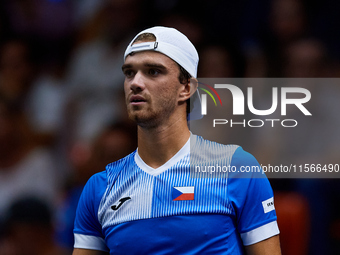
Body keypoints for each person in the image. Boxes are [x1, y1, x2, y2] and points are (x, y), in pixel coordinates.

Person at [73, 26, 281, 255]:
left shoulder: (237, 168)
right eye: (129, 73)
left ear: (186, 88)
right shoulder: (99, 188)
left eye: (153, 72)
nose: (135, 83)